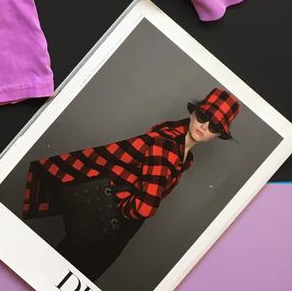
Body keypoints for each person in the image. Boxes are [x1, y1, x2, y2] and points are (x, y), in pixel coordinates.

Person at [21, 88, 240, 282]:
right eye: (203, 116)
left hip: (103, 218)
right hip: (114, 223)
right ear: (194, 112)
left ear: (218, 135)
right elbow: (145, 208)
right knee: (73, 271)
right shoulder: (168, 147)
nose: (204, 125)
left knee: (60, 269)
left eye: (214, 126)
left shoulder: (179, 148)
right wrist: (119, 209)